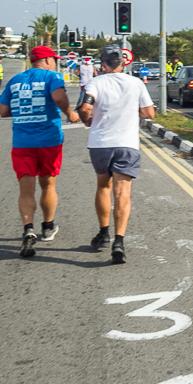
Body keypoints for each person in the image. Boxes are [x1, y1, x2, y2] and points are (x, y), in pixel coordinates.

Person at [78, 44, 156, 264]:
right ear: (123, 63)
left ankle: (103, 233)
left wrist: (87, 120)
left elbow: (85, 107)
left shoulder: (96, 82)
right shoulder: (136, 83)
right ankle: (119, 241)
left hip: (100, 144)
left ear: (102, 64)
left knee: (103, 186)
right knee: (123, 193)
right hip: (127, 144)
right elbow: (149, 113)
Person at [0, 46, 79, 257]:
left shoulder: (15, 80)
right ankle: (48, 226)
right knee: (48, 184)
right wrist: (69, 113)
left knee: (25, 189)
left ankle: (28, 229)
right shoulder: (53, 76)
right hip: (49, 141)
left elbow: (3, 111)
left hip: (22, 142)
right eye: (54, 59)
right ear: (48, 60)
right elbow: (59, 98)